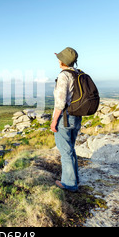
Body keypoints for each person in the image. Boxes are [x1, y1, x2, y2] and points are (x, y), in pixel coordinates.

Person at [50, 47, 82, 192]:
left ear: (63, 61)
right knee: (71, 149)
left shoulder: (64, 76)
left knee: (65, 151)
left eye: (60, 58)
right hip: (76, 117)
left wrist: (54, 121)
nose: (58, 60)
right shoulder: (78, 74)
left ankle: (69, 184)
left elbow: (60, 102)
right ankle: (75, 178)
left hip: (65, 118)